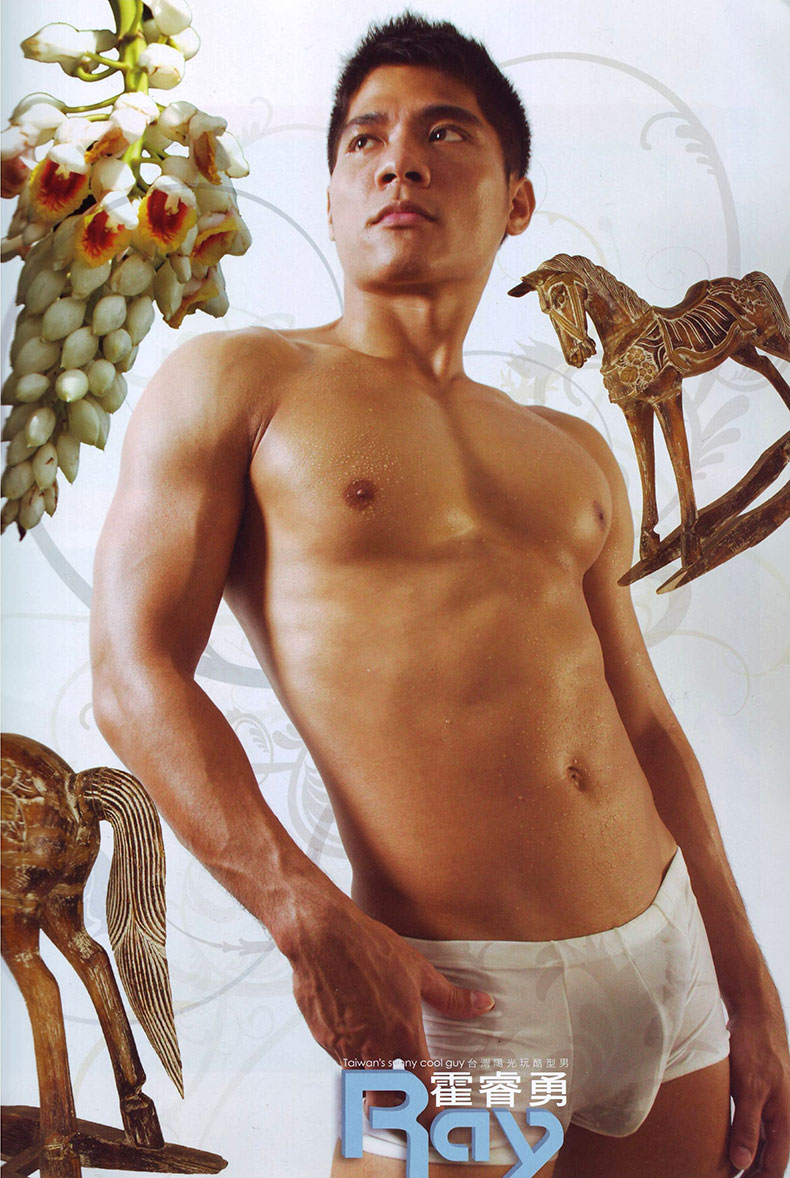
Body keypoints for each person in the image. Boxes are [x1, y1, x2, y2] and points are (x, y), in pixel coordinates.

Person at [89, 14, 790, 1177]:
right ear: (329, 198)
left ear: (518, 201)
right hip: (454, 996)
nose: (398, 162)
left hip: (667, 976)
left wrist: (746, 975)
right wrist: (302, 912)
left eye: (443, 133)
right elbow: (131, 671)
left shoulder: (573, 447)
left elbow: (645, 721)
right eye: (364, 140)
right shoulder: (240, 383)